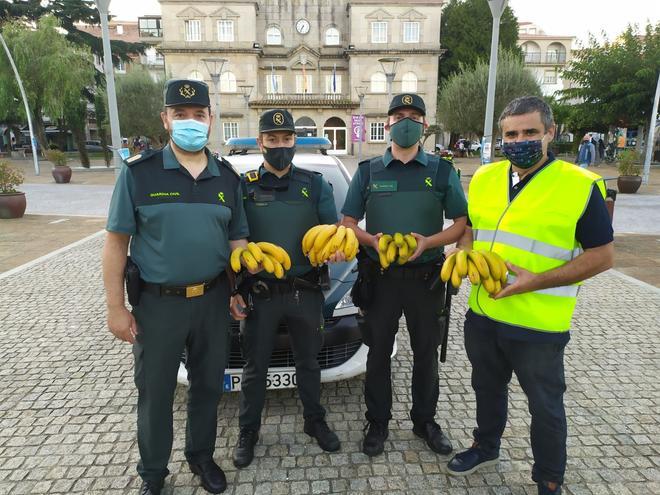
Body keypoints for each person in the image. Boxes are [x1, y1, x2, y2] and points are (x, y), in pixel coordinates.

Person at [446, 96, 614, 495]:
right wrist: (465, 251)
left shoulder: (579, 185)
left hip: (538, 322)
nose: (519, 140)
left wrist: (535, 280)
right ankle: (485, 447)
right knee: (486, 388)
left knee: (545, 405)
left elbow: (603, 257)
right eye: (511, 134)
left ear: (550, 133)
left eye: (529, 132)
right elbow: (471, 227)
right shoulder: (485, 177)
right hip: (484, 313)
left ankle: (549, 477)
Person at [102, 79, 250, 495]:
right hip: (158, 305)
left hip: (212, 301)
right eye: (180, 114)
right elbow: (116, 243)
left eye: (198, 115)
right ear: (165, 119)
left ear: (210, 120)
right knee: (156, 391)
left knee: (207, 385)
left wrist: (238, 290)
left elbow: (237, 242)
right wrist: (116, 307)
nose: (190, 122)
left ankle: (201, 457)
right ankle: (153, 473)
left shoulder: (227, 178)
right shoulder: (139, 174)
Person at [341, 93, 468, 458]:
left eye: (414, 115)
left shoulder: (442, 171)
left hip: (426, 278)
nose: (406, 121)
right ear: (389, 124)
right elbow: (348, 222)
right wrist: (371, 240)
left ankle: (424, 421)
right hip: (379, 279)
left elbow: (461, 223)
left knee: (425, 352)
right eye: (399, 115)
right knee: (378, 353)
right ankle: (377, 421)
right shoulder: (367, 171)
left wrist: (429, 241)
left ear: (424, 126)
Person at [230, 109, 342, 469]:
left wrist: (338, 246)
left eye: (286, 139)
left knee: (309, 362)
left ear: (295, 141)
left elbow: (334, 231)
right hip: (260, 292)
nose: (280, 146)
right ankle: (248, 430)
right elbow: (236, 235)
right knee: (254, 367)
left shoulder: (315, 185)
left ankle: (314, 420)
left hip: (304, 290)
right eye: (273, 139)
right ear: (260, 142)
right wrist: (244, 266)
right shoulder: (243, 187)